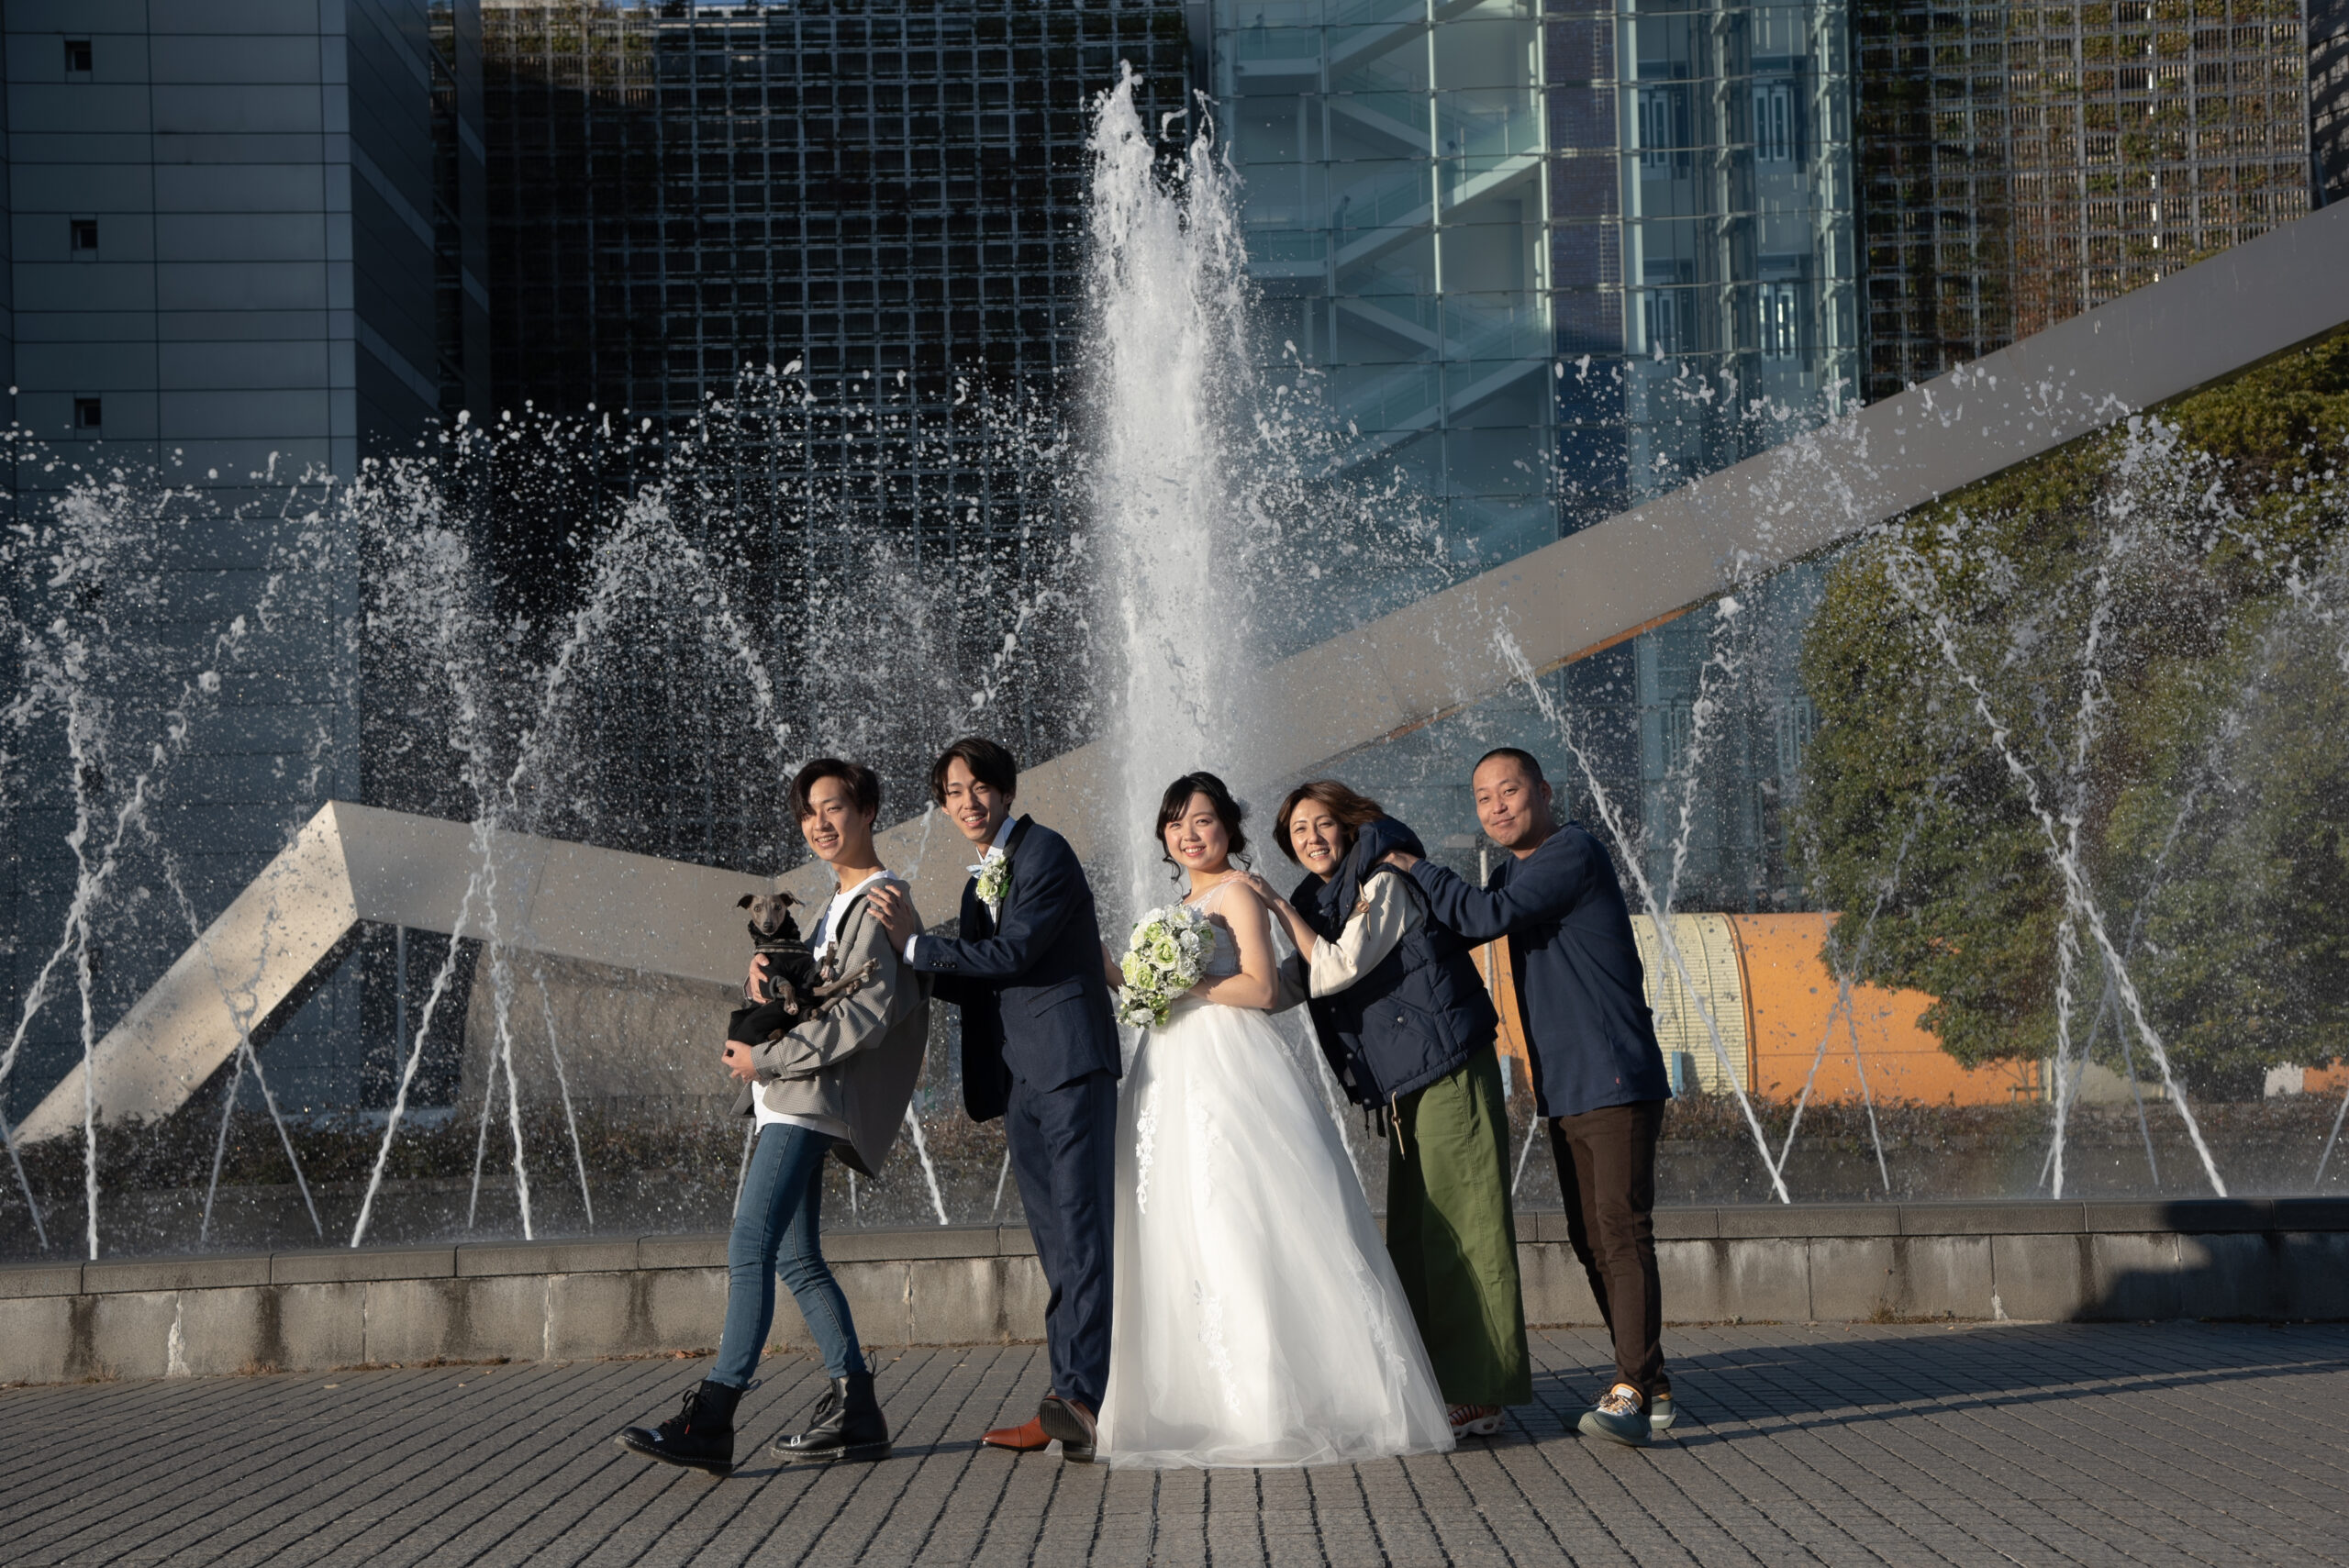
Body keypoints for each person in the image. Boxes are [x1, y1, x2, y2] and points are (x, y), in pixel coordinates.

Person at [1096, 772, 1454, 1468]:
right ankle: (1201, 1398)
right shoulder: (1179, 904)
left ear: (1229, 826)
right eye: (1175, 823)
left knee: (1237, 1216)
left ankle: (1266, 1401)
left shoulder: (1238, 891)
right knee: (1180, 1222)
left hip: (1227, 1063)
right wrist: (1120, 974)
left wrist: (1185, 983)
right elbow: (1159, 991)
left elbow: (1261, 988)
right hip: (1169, 1067)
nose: (1189, 834)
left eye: (1202, 820)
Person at [615, 757, 930, 1475]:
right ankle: (856, 1408)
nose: (820, 823)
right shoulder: (830, 907)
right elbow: (811, 998)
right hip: (787, 1099)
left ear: (868, 811)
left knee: (749, 1244)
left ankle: (714, 1415)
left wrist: (768, 1059)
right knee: (794, 1255)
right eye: (808, 812)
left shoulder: (881, 901)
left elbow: (863, 1018)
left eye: (833, 807)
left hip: (806, 1101)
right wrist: (764, 978)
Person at [1382, 747, 1675, 1448]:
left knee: (1620, 1231)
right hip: (1570, 1085)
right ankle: (1651, 1381)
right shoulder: (1517, 869)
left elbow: (1486, 916)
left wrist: (1416, 866)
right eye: (1483, 798)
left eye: (1508, 790)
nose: (1497, 807)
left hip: (1612, 1075)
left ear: (1543, 790)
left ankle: (1633, 1389)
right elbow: (1467, 920)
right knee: (1591, 1237)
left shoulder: (1569, 852)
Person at [1246, 780, 1531, 1441]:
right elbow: (1288, 984)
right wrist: (1213, 987)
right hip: (1407, 1085)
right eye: (1297, 832)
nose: (1311, 839)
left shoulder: (1384, 880)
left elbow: (1336, 967)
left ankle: (1480, 1389)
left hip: (1448, 1069)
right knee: (1415, 1237)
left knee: (1467, 1228)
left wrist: (1275, 907)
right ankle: (1435, 1380)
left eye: (1321, 824)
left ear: (1347, 825)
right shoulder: (1324, 901)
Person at [867, 737, 1121, 1462]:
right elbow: (979, 979)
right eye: (953, 791)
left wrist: (918, 947)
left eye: (979, 786)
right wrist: (899, 961)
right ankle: (1065, 1397)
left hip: (1069, 1066)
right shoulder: (979, 880)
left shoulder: (1045, 853)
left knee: (1080, 1234)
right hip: (1021, 1079)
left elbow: (1015, 953)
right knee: (1055, 1242)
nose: (967, 801)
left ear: (1007, 791)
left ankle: (1079, 1398)